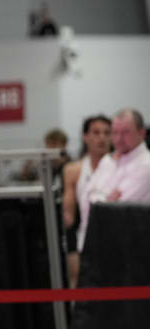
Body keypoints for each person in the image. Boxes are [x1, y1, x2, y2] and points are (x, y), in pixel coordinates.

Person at [83, 108, 150, 243]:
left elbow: (115, 209)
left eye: (126, 132)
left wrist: (100, 196)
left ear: (142, 133)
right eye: (115, 132)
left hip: (135, 246)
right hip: (102, 242)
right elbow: (86, 198)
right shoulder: (108, 160)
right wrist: (106, 197)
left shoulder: (146, 165)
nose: (118, 139)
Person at [62, 115, 111, 285]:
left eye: (106, 133)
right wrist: (72, 249)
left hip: (114, 240)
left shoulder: (120, 167)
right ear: (85, 137)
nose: (102, 138)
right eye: (96, 133)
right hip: (84, 241)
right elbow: (69, 217)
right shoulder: (73, 170)